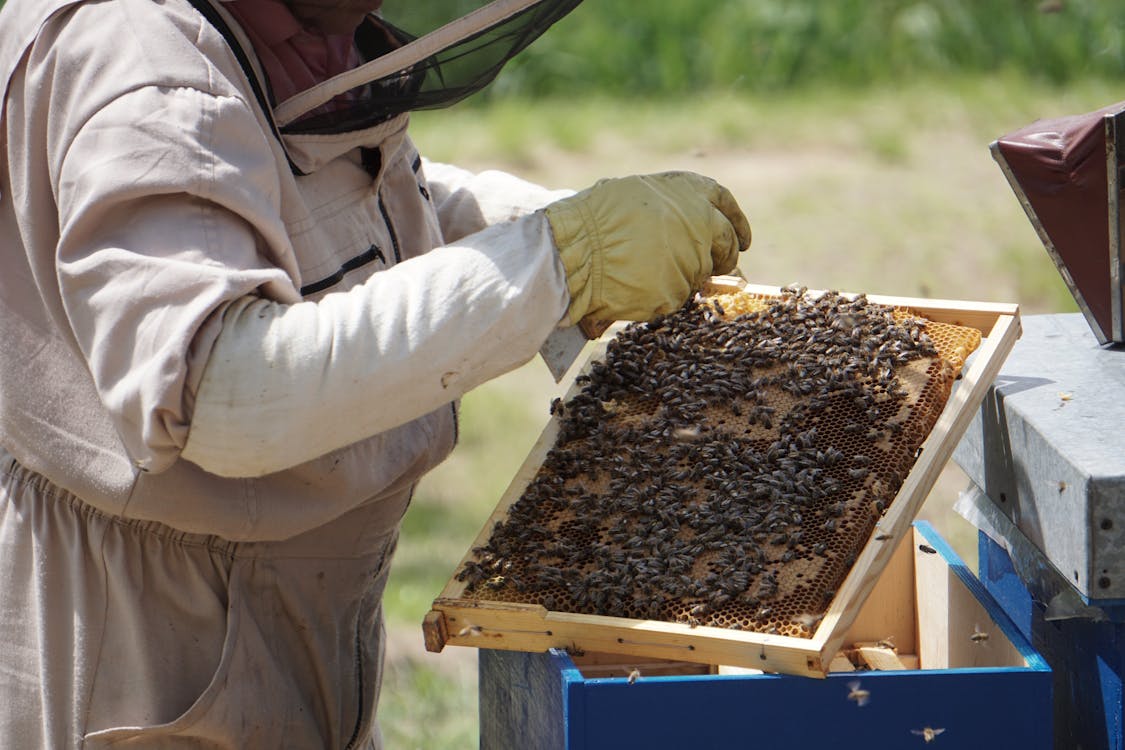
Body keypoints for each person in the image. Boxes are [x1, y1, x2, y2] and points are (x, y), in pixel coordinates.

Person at [0, 0, 751, 747]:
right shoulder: (139, 64)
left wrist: (532, 220)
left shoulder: (293, 29)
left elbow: (321, 198)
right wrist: (558, 261)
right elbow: (222, 392)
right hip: (152, 639)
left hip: (281, 601)